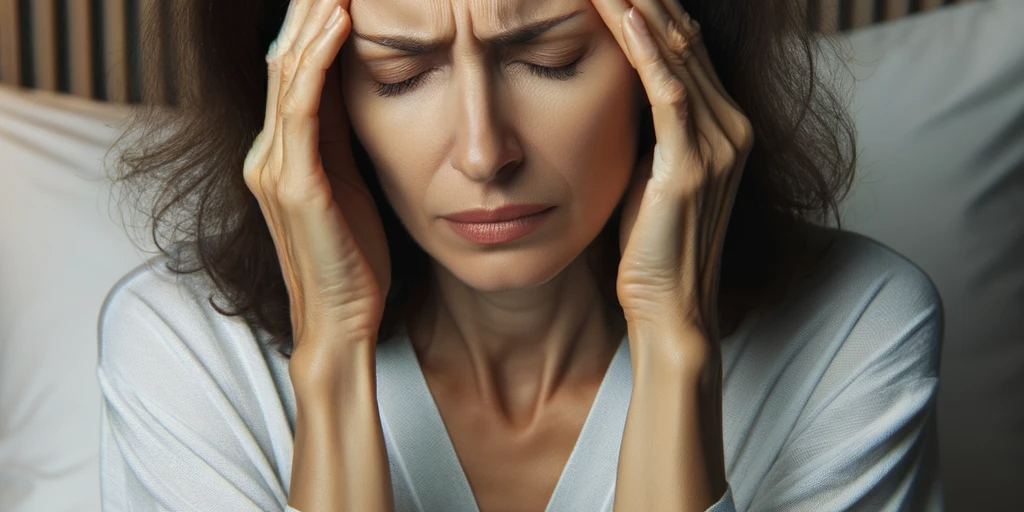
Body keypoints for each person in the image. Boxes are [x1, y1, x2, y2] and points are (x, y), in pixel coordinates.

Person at [97, 0, 943, 510]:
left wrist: (672, 348)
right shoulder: (185, 349)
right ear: (310, 99)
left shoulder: (855, 330)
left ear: (678, 56)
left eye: (550, 59)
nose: (482, 151)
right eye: (398, 74)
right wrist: (332, 364)